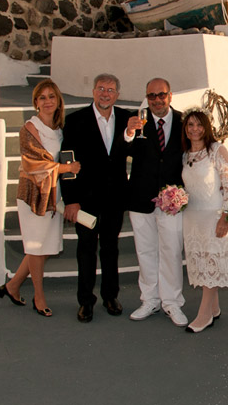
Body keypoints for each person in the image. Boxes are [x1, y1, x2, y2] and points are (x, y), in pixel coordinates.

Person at [0, 79, 81, 317]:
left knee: (41, 248)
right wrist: (67, 169)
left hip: (54, 196)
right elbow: (32, 164)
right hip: (34, 197)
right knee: (36, 246)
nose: (47, 101)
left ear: (58, 101)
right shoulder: (30, 128)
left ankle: (12, 286)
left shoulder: (58, 129)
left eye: (51, 97)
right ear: (35, 102)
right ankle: (39, 296)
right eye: (42, 97)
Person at [61, 73, 131, 323]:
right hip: (85, 199)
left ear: (117, 94)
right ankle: (85, 301)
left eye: (110, 90)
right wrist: (70, 200)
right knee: (86, 250)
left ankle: (110, 296)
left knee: (111, 248)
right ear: (93, 91)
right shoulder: (75, 121)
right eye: (101, 88)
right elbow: (67, 161)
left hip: (115, 198)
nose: (105, 94)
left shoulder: (126, 119)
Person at [124, 78, 187, 326]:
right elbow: (124, 149)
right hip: (140, 198)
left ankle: (172, 302)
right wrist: (129, 133)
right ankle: (149, 299)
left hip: (172, 201)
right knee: (146, 251)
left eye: (161, 95)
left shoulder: (184, 122)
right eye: (151, 95)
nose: (157, 100)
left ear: (170, 96)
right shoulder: (137, 121)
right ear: (146, 97)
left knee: (171, 251)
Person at [180, 109, 228, 333]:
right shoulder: (185, 155)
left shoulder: (217, 150)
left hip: (213, 217)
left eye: (199, 125)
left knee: (211, 263)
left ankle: (204, 315)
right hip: (192, 218)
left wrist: (226, 217)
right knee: (202, 262)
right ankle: (213, 307)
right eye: (190, 125)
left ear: (206, 127)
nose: (194, 129)